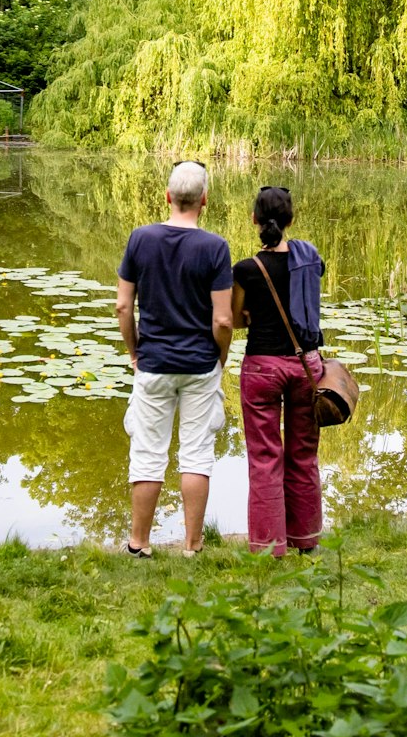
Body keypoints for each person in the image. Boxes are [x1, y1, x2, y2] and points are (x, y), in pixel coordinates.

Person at [115, 160, 234, 558]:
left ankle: (139, 543)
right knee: (196, 453)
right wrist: (221, 358)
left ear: (167, 197)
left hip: (153, 363)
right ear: (204, 201)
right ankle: (192, 545)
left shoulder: (140, 239)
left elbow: (122, 307)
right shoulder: (215, 247)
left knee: (148, 453)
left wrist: (135, 353)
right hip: (200, 365)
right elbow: (223, 319)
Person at [230, 185, 326, 557]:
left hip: (262, 368)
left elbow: (236, 320)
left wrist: (253, 313)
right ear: (291, 220)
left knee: (265, 457)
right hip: (306, 365)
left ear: (254, 219)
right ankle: (306, 541)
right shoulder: (309, 259)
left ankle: (270, 546)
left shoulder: (246, 269)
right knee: (303, 454)